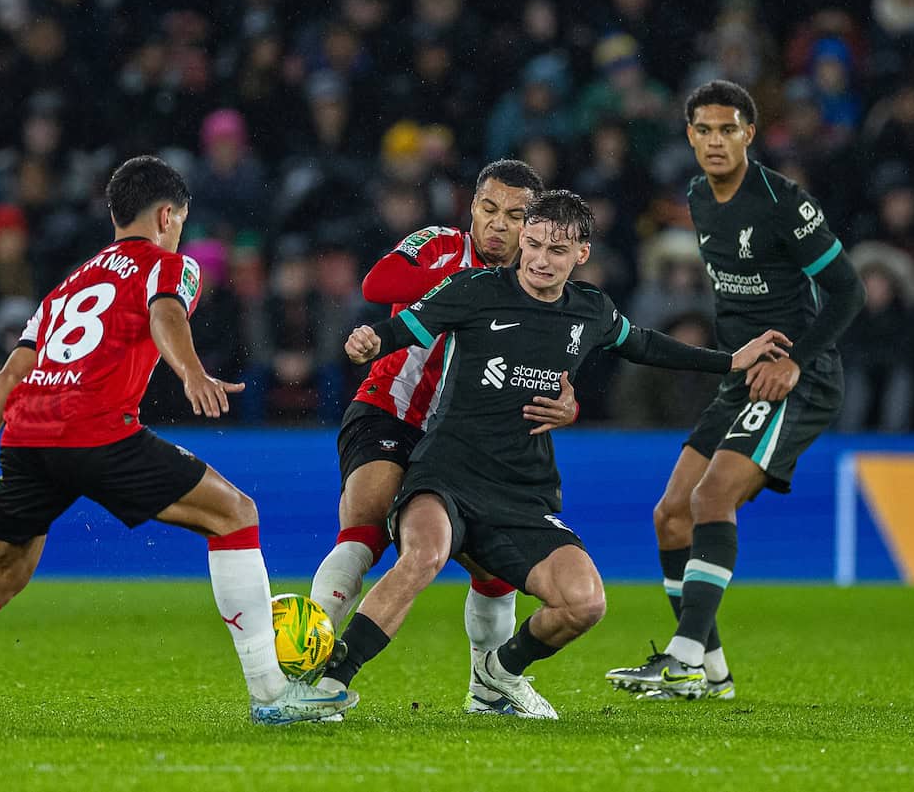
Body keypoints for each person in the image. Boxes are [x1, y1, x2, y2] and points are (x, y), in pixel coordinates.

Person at [0, 156, 357, 727]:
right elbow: (167, 314)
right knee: (235, 515)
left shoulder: (68, 285)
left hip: (27, 438)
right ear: (168, 215)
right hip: (96, 429)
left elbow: (9, 376)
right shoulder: (168, 265)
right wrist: (191, 371)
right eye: (179, 221)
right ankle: (272, 696)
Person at [315, 190, 789, 718]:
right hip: (444, 473)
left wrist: (730, 362)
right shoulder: (474, 289)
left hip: (521, 490)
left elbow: (649, 346)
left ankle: (499, 675)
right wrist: (368, 341)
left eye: (556, 251)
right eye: (533, 245)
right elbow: (398, 328)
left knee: (585, 602)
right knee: (423, 553)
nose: (540, 260)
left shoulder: (592, 311)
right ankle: (328, 682)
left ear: (581, 254)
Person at [605, 80, 866, 700]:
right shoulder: (697, 196)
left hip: (797, 378)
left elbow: (848, 292)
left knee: (711, 498)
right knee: (670, 516)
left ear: (750, 132)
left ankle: (683, 656)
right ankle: (711, 676)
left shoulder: (782, 200)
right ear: (689, 135)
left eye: (729, 129)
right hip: (744, 376)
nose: (716, 141)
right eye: (704, 130)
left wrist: (797, 361)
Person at [309, 159, 575, 716]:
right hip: (390, 412)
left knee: (493, 570)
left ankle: (487, 690)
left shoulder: (538, 284)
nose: (498, 225)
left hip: (465, 442)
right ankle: (311, 679)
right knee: (363, 533)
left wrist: (568, 401)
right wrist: (470, 290)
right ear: (471, 207)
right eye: (488, 209)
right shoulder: (441, 245)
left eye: (515, 216)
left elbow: (558, 362)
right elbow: (377, 283)